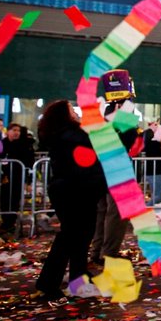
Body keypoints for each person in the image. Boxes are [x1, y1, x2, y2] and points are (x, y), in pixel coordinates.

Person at [33, 100, 107, 301]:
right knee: (70, 237)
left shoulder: (62, 135)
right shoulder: (72, 135)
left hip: (72, 189)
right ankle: (48, 283)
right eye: (71, 110)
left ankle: (78, 275)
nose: (75, 112)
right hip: (76, 190)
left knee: (80, 236)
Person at [90, 70, 140, 263]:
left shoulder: (107, 113)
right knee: (117, 212)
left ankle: (98, 251)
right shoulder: (121, 112)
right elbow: (127, 140)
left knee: (102, 211)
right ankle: (108, 252)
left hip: (102, 167)